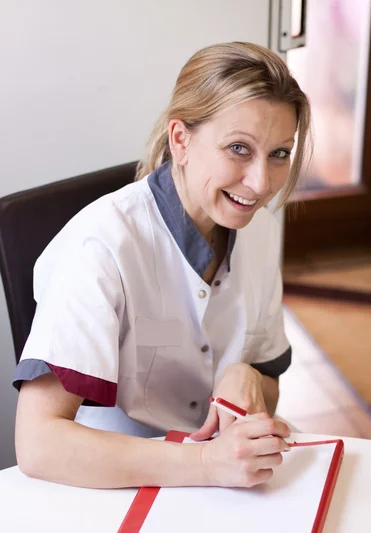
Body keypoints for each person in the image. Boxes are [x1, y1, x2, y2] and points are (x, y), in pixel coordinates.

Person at [13, 41, 311, 490]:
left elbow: (266, 382)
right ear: (181, 139)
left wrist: (245, 376)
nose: (261, 182)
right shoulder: (101, 244)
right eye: (238, 148)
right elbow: (37, 443)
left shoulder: (260, 230)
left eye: (279, 154)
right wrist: (206, 465)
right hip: (109, 486)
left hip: (221, 482)